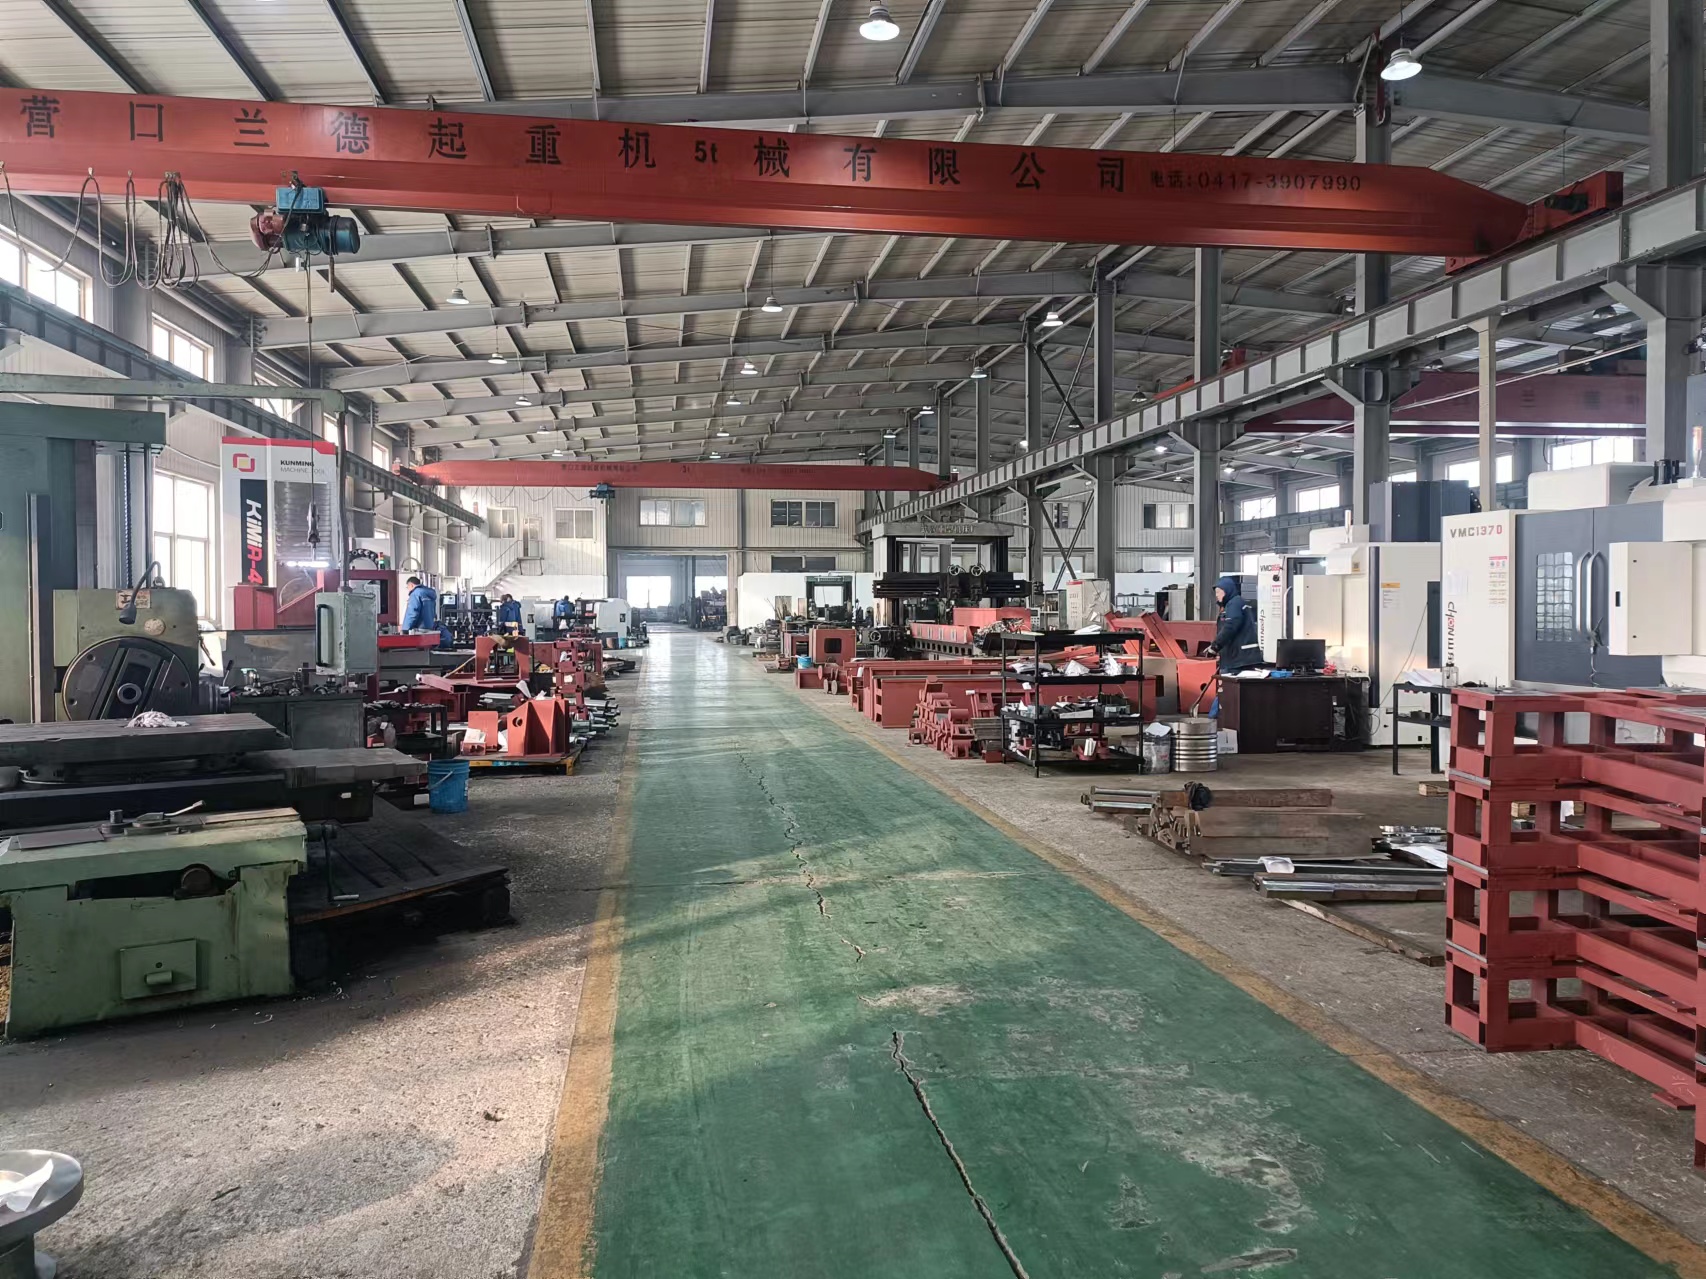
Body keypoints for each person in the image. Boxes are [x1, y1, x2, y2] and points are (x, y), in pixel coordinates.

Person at [1206, 573, 1263, 675]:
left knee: (1230, 684)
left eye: (1218, 592)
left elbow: (1231, 626)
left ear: (1227, 590)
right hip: (1239, 658)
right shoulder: (1233, 604)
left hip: (1238, 660)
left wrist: (1216, 646)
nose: (1216, 595)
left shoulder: (1234, 604)